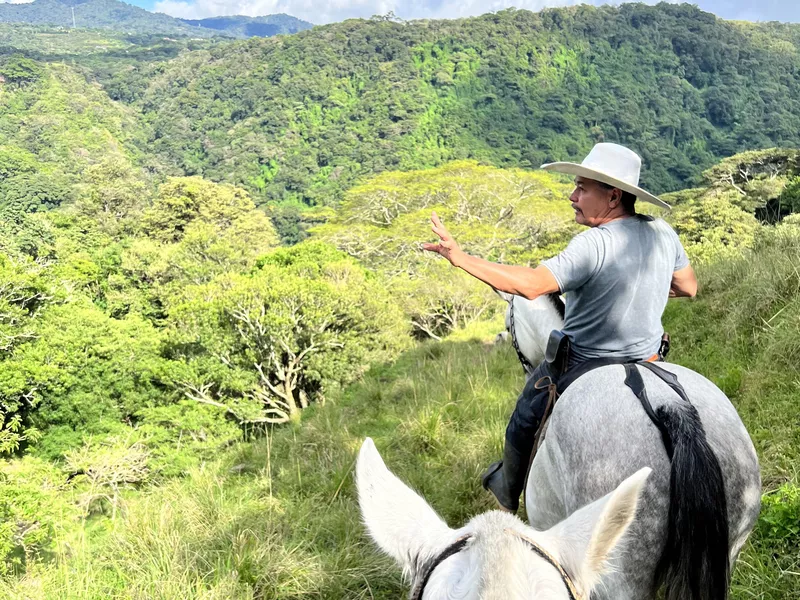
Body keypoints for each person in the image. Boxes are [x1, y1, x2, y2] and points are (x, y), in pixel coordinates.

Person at [422, 143, 697, 512]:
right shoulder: (663, 232)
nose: (573, 196)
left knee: (524, 417)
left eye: (583, 188)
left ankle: (508, 492)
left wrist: (460, 258)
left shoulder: (593, 244)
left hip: (583, 364)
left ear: (613, 196)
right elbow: (687, 287)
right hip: (650, 358)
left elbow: (533, 286)